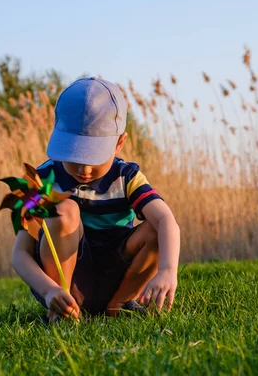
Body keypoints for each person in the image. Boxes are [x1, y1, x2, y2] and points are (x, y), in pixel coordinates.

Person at [11, 77, 180, 320]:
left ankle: (118, 305)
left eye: (94, 157)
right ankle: (63, 312)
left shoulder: (126, 176)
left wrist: (167, 270)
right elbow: (20, 254)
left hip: (116, 277)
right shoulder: (41, 181)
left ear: (119, 143)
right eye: (75, 155)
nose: (84, 169)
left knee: (155, 228)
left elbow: (167, 221)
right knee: (63, 210)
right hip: (65, 285)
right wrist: (50, 291)